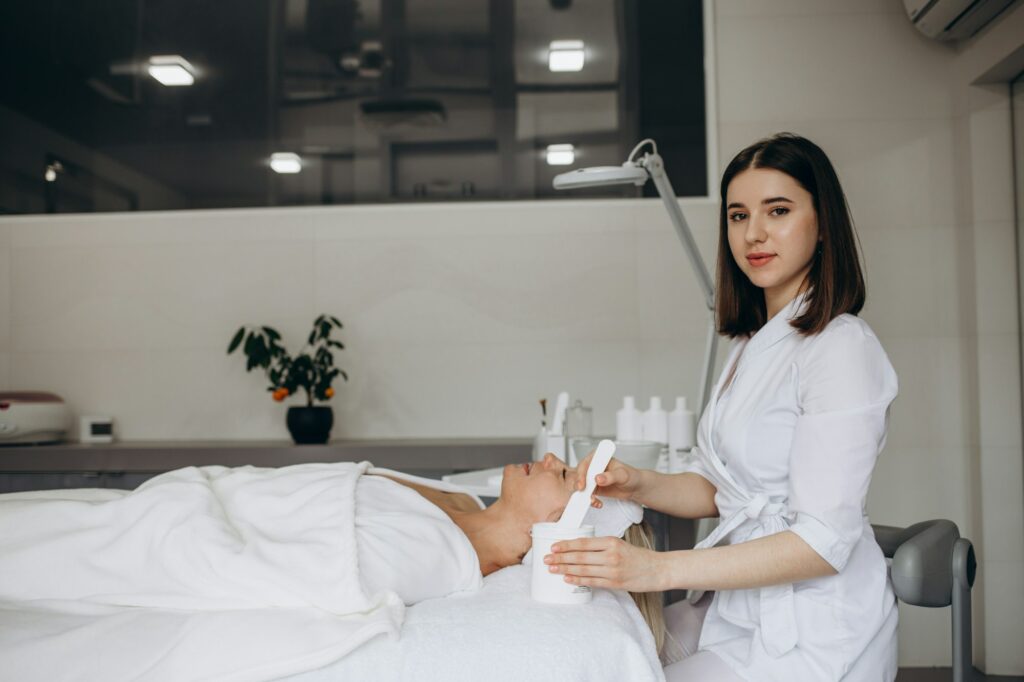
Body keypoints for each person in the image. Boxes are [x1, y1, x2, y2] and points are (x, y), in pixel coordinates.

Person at [545, 133, 899, 681]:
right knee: (591, 654)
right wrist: (637, 483)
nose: (753, 233)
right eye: (738, 215)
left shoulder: (841, 347)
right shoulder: (751, 345)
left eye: (777, 211)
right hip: (734, 613)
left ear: (822, 222)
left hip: (812, 629)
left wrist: (655, 569)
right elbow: (722, 488)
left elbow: (823, 543)